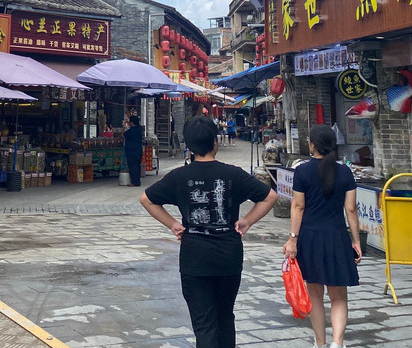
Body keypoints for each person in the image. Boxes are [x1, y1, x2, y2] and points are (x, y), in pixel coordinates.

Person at [140, 116, 278, 348]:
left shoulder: (178, 176)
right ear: (215, 142)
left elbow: (147, 199)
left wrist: (173, 224)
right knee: (225, 316)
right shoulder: (233, 174)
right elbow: (270, 196)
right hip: (229, 254)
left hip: (195, 256)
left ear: (189, 146)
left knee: (204, 323)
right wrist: (246, 221)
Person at [283, 124, 361, 348]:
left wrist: (292, 238)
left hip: (311, 238)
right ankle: (338, 342)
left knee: (315, 295)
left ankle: (320, 343)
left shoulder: (303, 171)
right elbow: (351, 209)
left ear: (312, 145)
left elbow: (298, 207)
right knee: (338, 296)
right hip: (337, 237)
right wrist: (355, 240)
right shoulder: (345, 172)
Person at [123, 113, 144, 187]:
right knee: (137, 166)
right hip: (138, 151)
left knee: (133, 167)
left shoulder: (132, 130)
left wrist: (125, 126)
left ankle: (135, 182)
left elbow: (124, 134)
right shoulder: (139, 130)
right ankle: (137, 181)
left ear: (132, 122)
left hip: (132, 151)